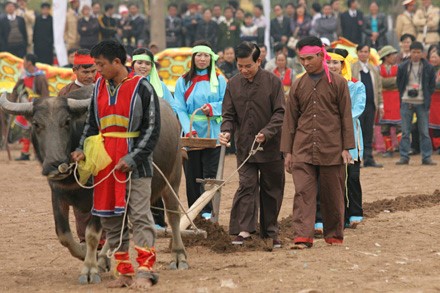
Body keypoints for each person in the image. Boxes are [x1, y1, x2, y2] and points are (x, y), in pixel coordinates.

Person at [71, 40, 160, 288]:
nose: (96, 70)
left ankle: (145, 270)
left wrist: (132, 159)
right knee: (110, 219)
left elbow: (152, 130)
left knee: (140, 216)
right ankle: (125, 271)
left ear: (117, 63)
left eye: (100, 65)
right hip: (104, 164)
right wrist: (80, 148)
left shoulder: (143, 88)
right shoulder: (99, 86)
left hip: (135, 165)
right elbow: (91, 124)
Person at [281, 36, 354, 249]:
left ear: (321, 56)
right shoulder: (297, 85)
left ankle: (334, 235)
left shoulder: (339, 83)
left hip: (332, 148)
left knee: (333, 193)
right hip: (302, 148)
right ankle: (302, 236)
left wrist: (346, 147)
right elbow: (290, 120)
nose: (305, 63)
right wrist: (288, 152)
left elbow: (345, 117)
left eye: (309, 58)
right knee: (303, 192)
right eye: (302, 59)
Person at [219, 41, 285, 248]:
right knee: (246, 185)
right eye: (240, 66)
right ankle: (244, 230)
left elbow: (280, 112)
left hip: (271, 147)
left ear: (259, 60)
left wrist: (267, 132)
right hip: (245, 147)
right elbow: (228, 115)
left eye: (248, 65)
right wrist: (226, 132)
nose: (244, 70)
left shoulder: (273, 82)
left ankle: (270, 231)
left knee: (271, 188)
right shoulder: (233, 84)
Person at [315, 47, 366, 233]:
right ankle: (334, 216)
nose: (332, 66)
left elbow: (358, 109)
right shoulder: (319, 84)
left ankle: (355, 212)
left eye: (335, 62)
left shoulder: (356, 85)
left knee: (351, 176)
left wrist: (336, 119)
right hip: (327, 137)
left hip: (350, 136)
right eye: (328, 62)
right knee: (330, 178)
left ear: (343, 64)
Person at [174, 41, 226, 220]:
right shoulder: (183, 81)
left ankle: (208, 212)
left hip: (213, 132)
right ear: (193, 58)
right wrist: (189, 129)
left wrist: (212, 108)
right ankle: (194, 214)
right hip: (191, 134)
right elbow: (179, 107)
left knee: (210, 175)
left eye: (206, 56)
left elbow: (227, 102)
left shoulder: (219, 79)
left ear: (211, 58)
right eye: (199, 55)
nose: (202, 59)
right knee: (192, 175)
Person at [58, 49, 103, 245]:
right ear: (75, 70)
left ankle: (105, 239)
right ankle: (86, 240)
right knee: (81, 199)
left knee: (104, 195)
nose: (90, 76)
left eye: (93, 71)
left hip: (103, 152)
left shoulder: (104, 88)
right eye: (85, 72)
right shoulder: (64, 94)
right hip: (76, 154)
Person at [130, 48, 175, 229]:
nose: (143, 66)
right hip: (133, 139)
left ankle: (157, 220)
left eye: (147, 63)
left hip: (160, 139)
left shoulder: (161, 87)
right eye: (140, 62)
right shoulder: (126, 84)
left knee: (157, 176)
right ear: (132, 64)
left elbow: (172, 111)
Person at [396, 42, 436, 165]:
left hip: (422, 102)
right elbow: (399, 83)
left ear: (423, 53)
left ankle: (426, 157)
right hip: (406, 101)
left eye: (419, 52)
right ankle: (404, 156)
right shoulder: (403, 67)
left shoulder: (428, 67)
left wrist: (426, 95)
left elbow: (432, 85)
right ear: (410, 52)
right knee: (405, 132)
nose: (416, 55)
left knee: (424, 132)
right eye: (414, 52)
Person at [11, 53, 49, 161]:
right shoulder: (24, 75)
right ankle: (25, 153)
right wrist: (12, 101)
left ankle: (39, 153)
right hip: (26, 106)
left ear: (29, 63)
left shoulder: (40, 77)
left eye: (24, 61)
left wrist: (42, 108)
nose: (23, 63)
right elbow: (15, 89)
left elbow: (45, 95)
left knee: (37, 130)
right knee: (25, 130)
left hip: (37, 106)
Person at [352, 44, 383, 168]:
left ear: (369, 53)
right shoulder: (352, 68)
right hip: (357, 106)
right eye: (361, 51)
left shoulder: (374, 69)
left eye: (366, 51)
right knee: (357, 132)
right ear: (357, 53)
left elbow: (379, 88)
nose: (363, 54)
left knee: (369, 132)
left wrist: (380, 104)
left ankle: (369, 158)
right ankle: (358, 159)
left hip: (370, 105)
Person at [378, 46, 402, 157]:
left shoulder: (399, 68)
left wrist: (385, 82)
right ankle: (389, 149)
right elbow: (379, 82)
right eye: (392, 55)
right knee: (385, 127)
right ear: (386, 57)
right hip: (384, 99)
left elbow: (400, 81)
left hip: (396, 99)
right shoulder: (378, 68)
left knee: (399, 126)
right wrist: (393, 81)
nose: (394, 57)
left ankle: (402, 149)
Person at [427, 45, 440, 153]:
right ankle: (437, 146)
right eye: (432, 57)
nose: (433, 59)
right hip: (431, 100)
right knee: (434, 125)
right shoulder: (427, 70)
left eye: (436, 57)